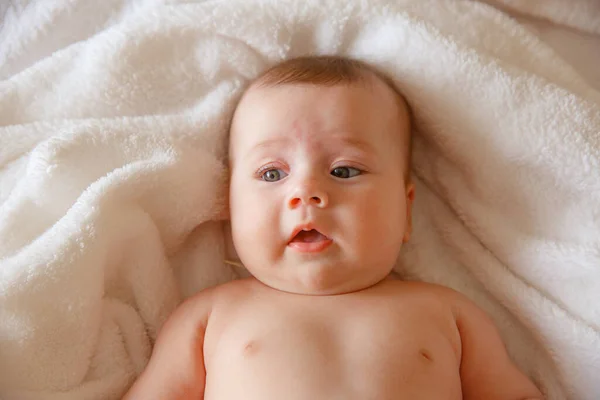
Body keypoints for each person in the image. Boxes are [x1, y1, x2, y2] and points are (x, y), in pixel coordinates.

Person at [124, 56, 544, 399]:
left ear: (406, 209)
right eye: (272, 174)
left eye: (344, 170)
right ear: (229, 208)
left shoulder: (448, 314)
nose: (306, 192)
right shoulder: (209, 317)